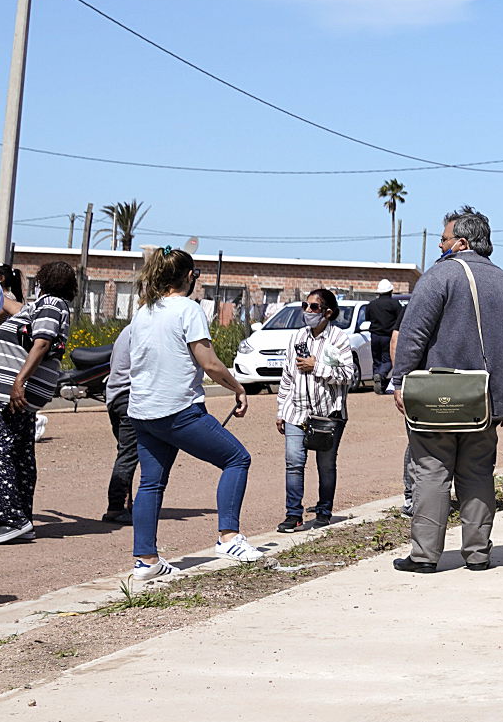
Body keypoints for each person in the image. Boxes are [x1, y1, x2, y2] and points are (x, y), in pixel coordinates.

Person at [387, 208, 503, 575]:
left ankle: (425, 555)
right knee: (478, 474)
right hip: (485, 400)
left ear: (461, 242)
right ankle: (477, 553)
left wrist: (400, 382)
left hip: (435, 397)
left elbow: (413, 335)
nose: (439, 246)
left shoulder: (439, 277)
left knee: (431, 471)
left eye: (442, 240)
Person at [117, 246, 259, 588]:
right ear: (189, 276)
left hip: (142, 411)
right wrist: (238, 388)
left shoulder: (143, 311)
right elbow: (208, 362)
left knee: (151, 482)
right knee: (237, 459)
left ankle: (146, 560)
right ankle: (228, 537)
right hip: (179, 410)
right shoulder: (188, 309)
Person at [0, 259, 73, 544]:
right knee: (18, 449)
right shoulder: (41, 305)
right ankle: (21, 516)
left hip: (15, 390)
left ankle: (10, 518)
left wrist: (19, 381)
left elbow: (42, 342)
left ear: (43, 280)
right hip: (16, 390)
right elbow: (7, 305)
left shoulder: (51, 305)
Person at [276, 287, 352, 532]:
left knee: (325, 464)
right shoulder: (297, 337)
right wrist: (281, 410)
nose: (308, 311)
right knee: (294, 463)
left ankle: (323, 510)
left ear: (328, 313)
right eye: (305, 306)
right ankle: (294, 515)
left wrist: (316, 366)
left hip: (327, 415)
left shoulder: (338, 339)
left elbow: (348, 376)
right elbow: (287, 375)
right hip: (296, 412)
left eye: (314, 307)